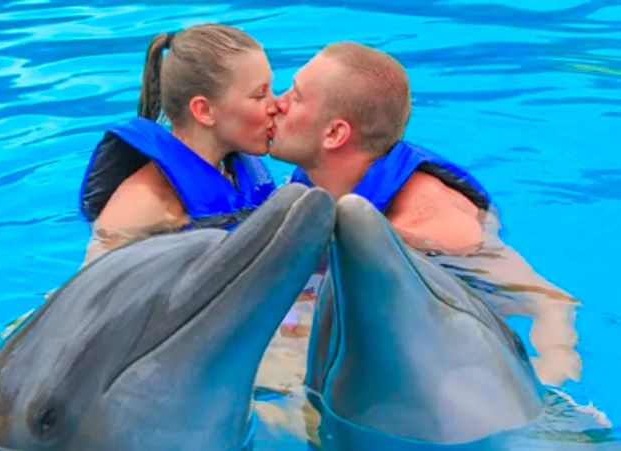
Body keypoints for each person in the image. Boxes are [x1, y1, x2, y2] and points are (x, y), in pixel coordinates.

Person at [269, 42, 581, 386]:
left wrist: (554, 363)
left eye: (295, 97)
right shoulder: (319, 177)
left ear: (335, 134)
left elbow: (548, 300)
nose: (276, 104)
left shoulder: (432, 227)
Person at [79, 24, 278, 265]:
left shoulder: (234, 174)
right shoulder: (143, 203)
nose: (276, 105)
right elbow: (96, 287)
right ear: (204, 110)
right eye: (259, 95)